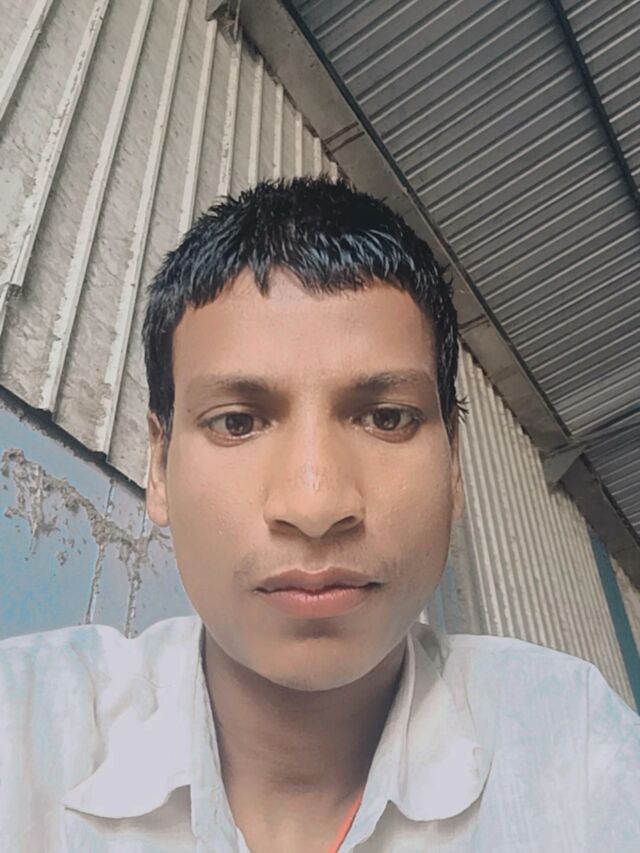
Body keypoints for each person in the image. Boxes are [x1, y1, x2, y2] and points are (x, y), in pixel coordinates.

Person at [1, 177, 638, 852]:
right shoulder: (25, 730)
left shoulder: (574, 748)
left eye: (386, 418)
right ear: (159, 465)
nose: (315, 505)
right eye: (237, 421)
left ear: (454, 463)